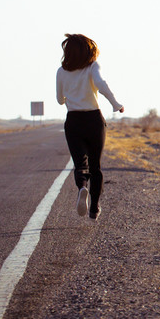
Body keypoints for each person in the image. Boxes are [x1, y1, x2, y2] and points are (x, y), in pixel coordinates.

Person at [55, 34, 124, 220]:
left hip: (74, 121)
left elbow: (60, 100)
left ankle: (82, 187)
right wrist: (116, 104)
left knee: (80, 164)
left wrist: (70, 94)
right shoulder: (93, 66)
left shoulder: (61, 71)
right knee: (96, 166)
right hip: (93, 120)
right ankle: (94, 207)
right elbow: (101, 85)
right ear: (89, 49)